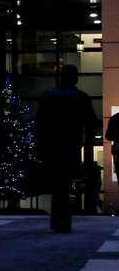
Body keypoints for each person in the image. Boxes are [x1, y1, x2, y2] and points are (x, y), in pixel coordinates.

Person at [35, 64, 99, 233]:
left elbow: (39, 124)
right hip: (71, 145)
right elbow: (91, 124)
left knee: (58, 184)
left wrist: (39, 146)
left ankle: (58, 220)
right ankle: (63, 220)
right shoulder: (81, 97)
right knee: (63, 183)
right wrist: (86, 143)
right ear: (75, 78)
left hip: (52, 146)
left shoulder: (48, 96)